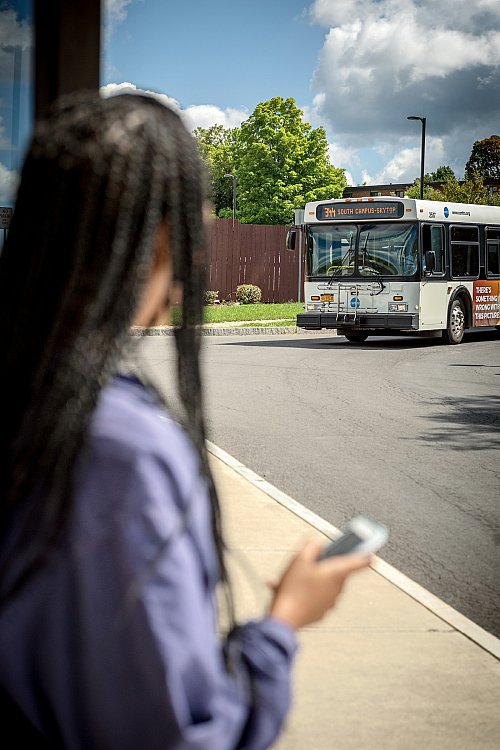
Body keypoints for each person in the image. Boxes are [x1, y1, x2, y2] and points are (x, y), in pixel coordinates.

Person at [0, 91, 370, 749]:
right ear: (166, 237)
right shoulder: (121, 452)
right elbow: (181, 735)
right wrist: (282, 624)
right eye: (197, 218)